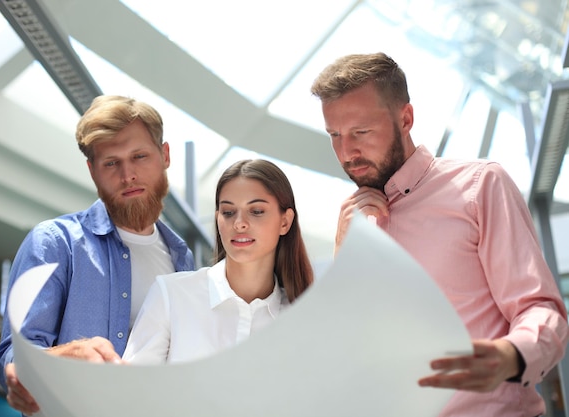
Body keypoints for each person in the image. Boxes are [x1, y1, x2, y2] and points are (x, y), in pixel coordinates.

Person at [310, 52, 569, 416]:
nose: (346, 151)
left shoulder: (480, 187)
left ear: (406, 119)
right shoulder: (355, 226)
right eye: (334, 135)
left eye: (361, 132)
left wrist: (512, 356)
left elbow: (540, 308)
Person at [0, 95, 195, 415]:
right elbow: (13, 359)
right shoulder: (55, 243)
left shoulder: (184, 259)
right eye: (111, 163)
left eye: (139, 156)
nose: (128, 175)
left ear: (164, 155)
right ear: (92, 171)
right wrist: (68, 356)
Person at [122, 159, 313, 364]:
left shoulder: (301, 317)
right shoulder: (171, 296)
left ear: (285, 222)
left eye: (256, 211)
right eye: (228, 212)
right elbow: (131, 387)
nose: (239, 224)